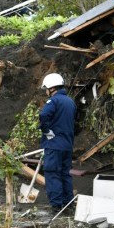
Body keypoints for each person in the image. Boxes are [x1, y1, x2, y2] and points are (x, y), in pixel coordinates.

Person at [39, 73, 77, 214]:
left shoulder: (53, 101)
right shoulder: (70, 101)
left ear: (51, 88)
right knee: (65, 174)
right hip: (67, 145)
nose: (46, 92)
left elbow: (43, 116)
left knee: (52, 173)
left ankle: (56, 206)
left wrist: (46, 130)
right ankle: (69, 204)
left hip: (54, 145)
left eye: (46, 89)